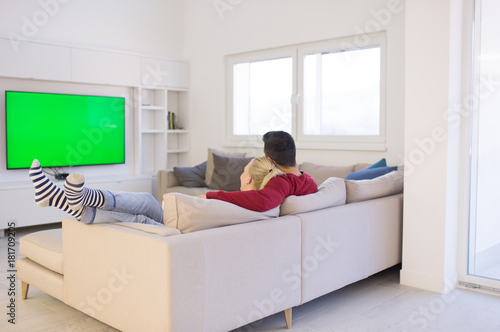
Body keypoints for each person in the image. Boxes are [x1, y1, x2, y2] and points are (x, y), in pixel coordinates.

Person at [28, 156, 284, 225]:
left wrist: (208, 195)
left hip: (177, 229)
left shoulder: (244, 199)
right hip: (180, 222)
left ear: (248, 178)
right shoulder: (264, 202)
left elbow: (204, 197)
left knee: (139, 213)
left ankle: (67, 199)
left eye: (243, 171)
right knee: (145, 201)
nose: (240, 174)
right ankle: (66, 198)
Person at [203, 131, 318, 211]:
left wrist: (210, 196)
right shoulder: (309, 181)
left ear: (269, 160)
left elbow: (263, 201)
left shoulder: (282, 182)